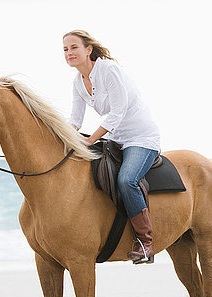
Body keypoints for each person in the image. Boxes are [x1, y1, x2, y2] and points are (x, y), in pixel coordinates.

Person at [63, 29, 160, 264]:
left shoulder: (109, 70)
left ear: (88, 49)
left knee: (126, 179)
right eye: (65, 49)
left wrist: (89, 140)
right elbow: (75, 119)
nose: (69, 53)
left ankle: (145, 242)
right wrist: (62, 138)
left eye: (74, 47)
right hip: (116, 139)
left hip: (140, 137)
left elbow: (118, 112)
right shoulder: (78, 81)